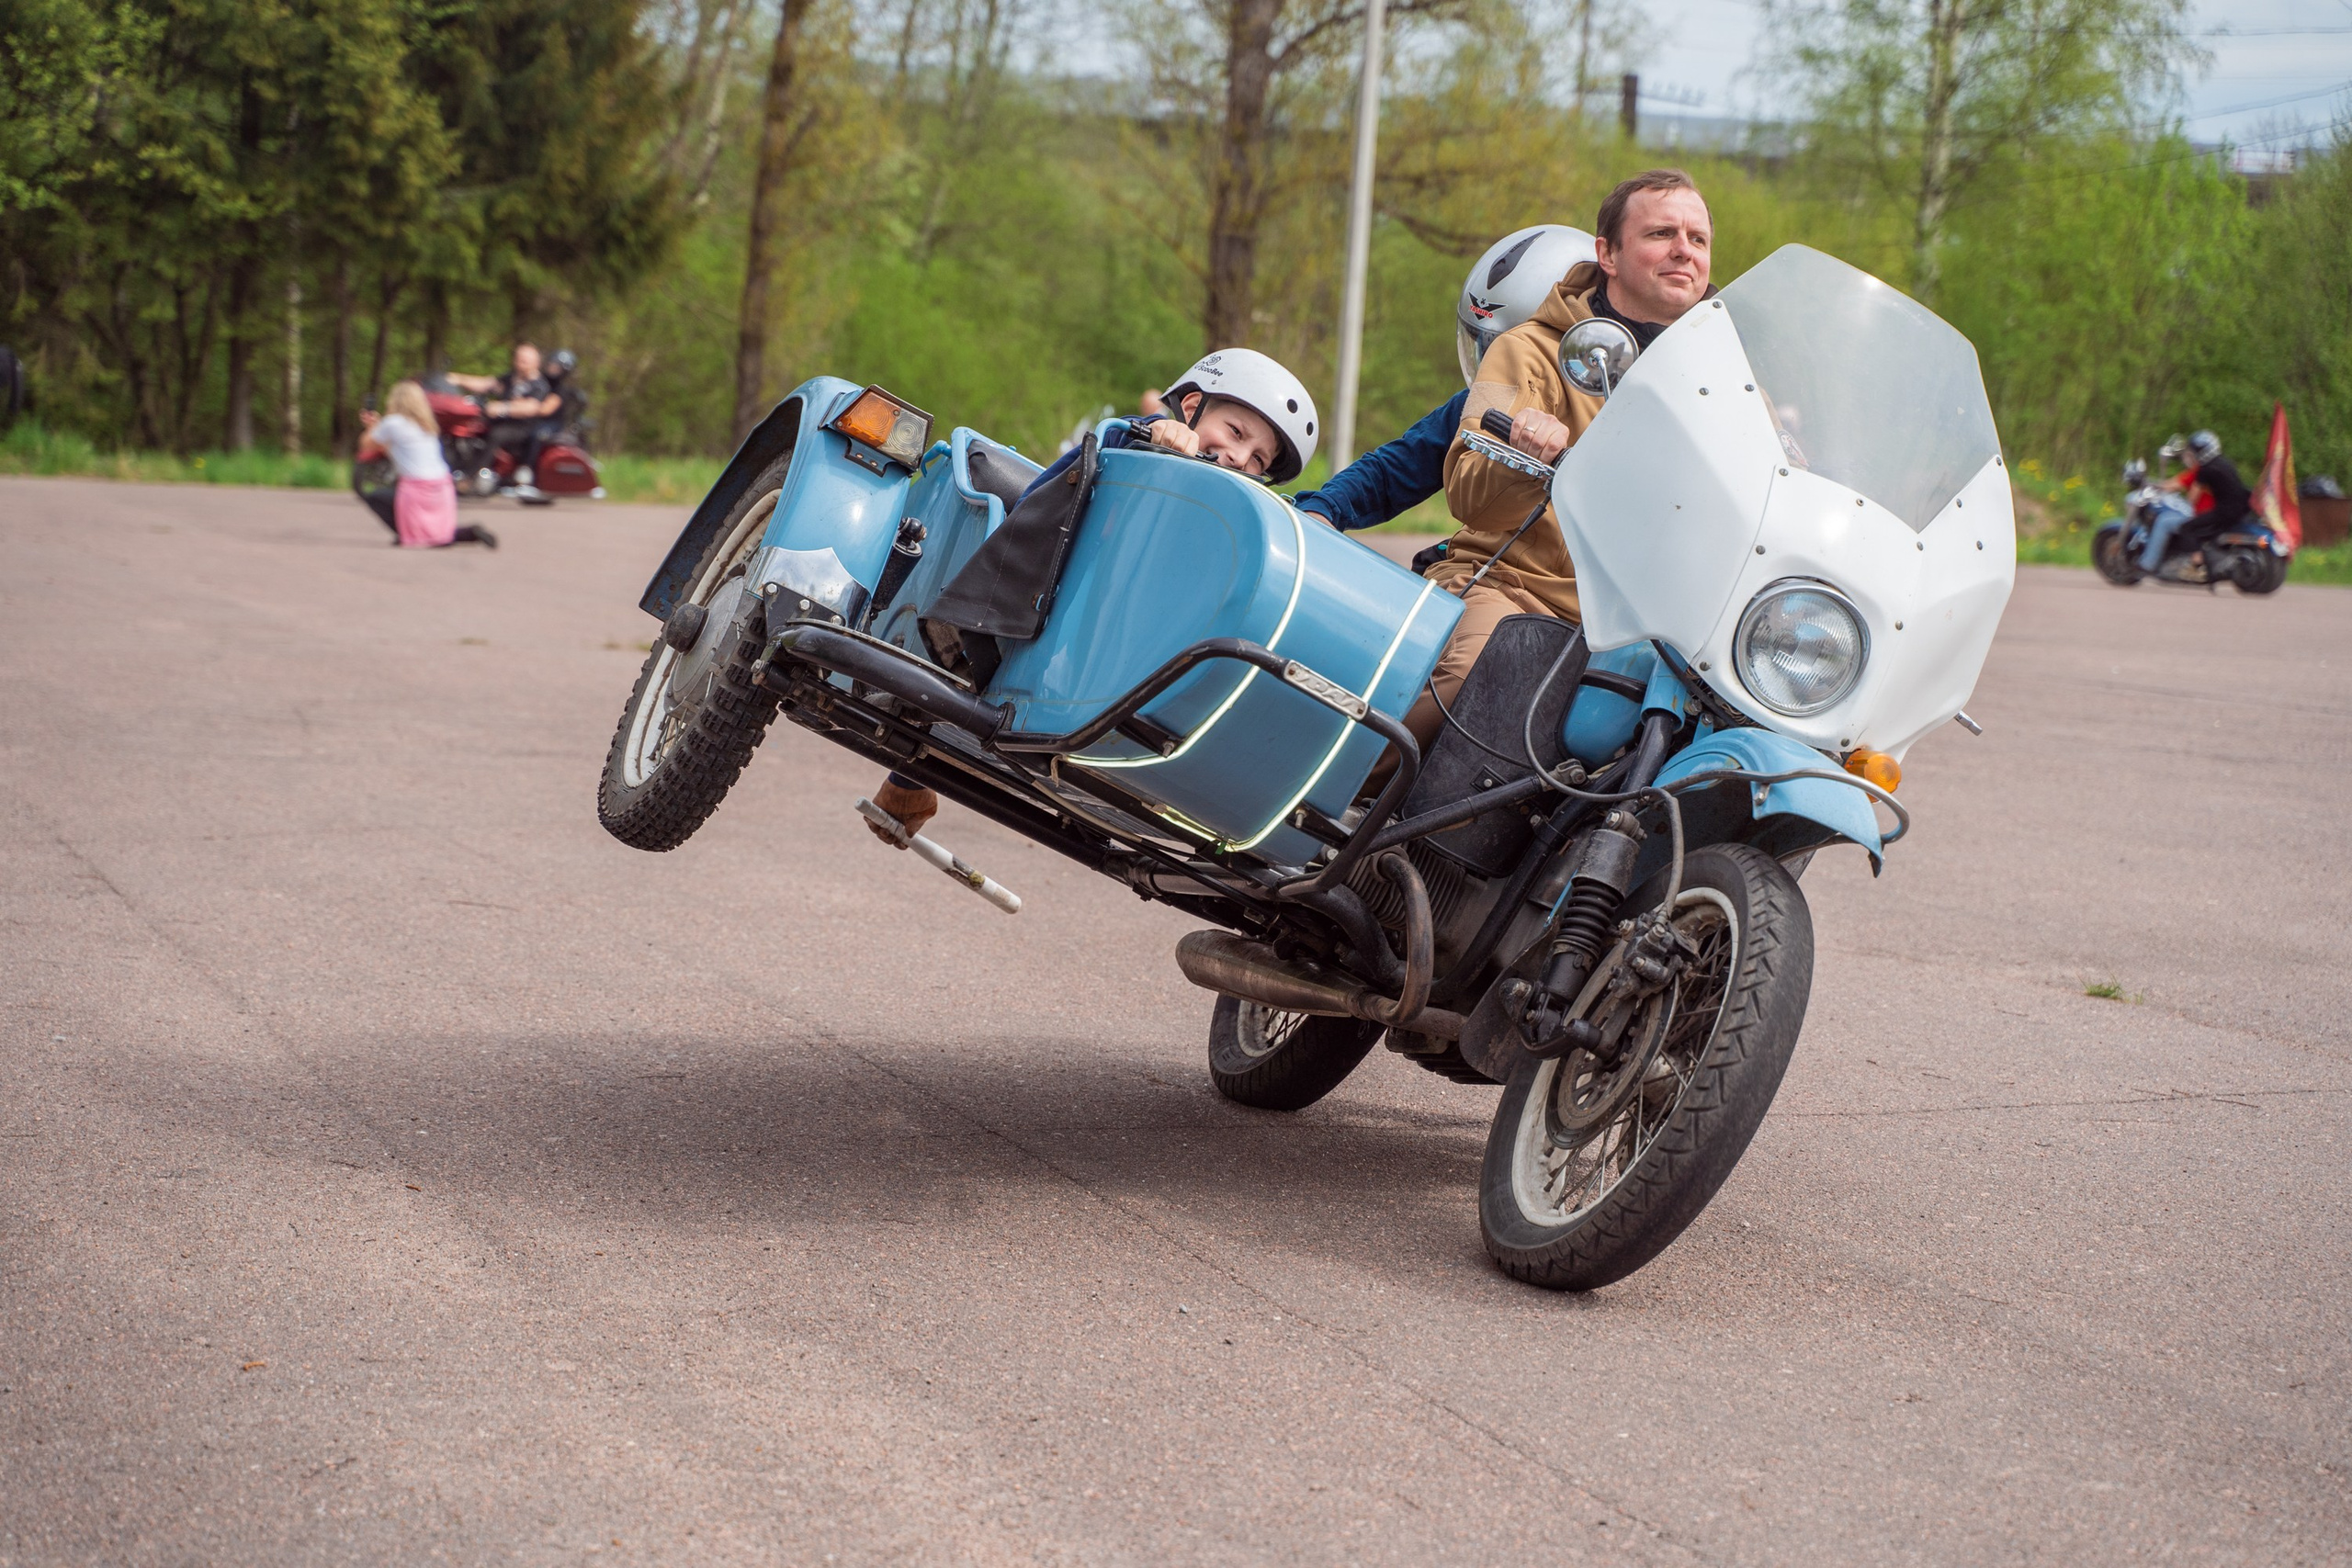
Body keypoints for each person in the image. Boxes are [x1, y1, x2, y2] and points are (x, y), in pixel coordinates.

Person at [865, 348, 1318, 844]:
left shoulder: (1228, 528)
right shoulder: (1137, 441)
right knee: (956, 669)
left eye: (1259, 460)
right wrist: (1159, 436)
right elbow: (1097, 462)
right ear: (1192, 409)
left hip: (1127, 652)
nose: (1239, 458)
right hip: (1037, 599)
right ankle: (909, 776)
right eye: (1235, 433)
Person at [1408, 169, 1716, 750]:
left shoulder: (1729, 379)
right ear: (1608, 253)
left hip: (1662, 631)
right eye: (1661, 234)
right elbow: (1469, 493)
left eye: (1697, 239)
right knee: (1468, 678)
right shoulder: (1527, 349)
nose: (1683, 250)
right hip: (1522, 590)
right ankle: (1334, 812)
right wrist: (1519, 452)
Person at [1289, 224, 1594, 535]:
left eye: (1508, 348)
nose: (1496, 364)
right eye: (1483, 346)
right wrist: (1325, 508)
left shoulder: (1612, 409)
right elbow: (1397, 467)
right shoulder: (1486, 402)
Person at [356, 380, 498, 550]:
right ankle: (469, 533)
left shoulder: (393, 422)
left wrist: (371, 427)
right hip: (442, 488)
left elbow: (366, 444)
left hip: (417, 490)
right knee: (439, 535)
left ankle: (405, 532)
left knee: (376, 497)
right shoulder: (426, 425)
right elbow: (395, 450)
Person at [450, 342, 561, 499]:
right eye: (518, 359)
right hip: (501, 421)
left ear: (535, 363)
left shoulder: (539, 385)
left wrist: (504, 408)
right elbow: (486, 384)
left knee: (496, 435)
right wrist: (456, 379)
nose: (519, 363)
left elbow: (532, 407)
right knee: (470, 428)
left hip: (521, 427)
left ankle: (468, 479)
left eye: (524, 361)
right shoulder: (510, 378)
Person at [2143, 430, 2248, 572]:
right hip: (2240, 509)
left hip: (2224, 512)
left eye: (2193, 451)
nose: (2191, 454)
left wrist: (2180, 501)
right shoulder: (2225, 463)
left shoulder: (2204, 470)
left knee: (2187, 528)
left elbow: (2192, 498)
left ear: (2200, 451)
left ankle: (2197, 566)